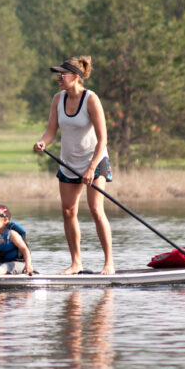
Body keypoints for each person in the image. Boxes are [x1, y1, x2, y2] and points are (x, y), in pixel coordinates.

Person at [33, 56, 115, 275]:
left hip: (94, 160)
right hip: (68, 162)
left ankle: (108, 263)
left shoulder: (91, 99)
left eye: (62, 75)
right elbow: (51, 131)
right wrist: (43, 142)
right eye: (57, 75)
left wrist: (90, 169)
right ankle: (76, 263)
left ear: (76, 77)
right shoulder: (57, 99)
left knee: (96, 209)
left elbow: (103, 139)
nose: (58, 78)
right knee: (68, 211)